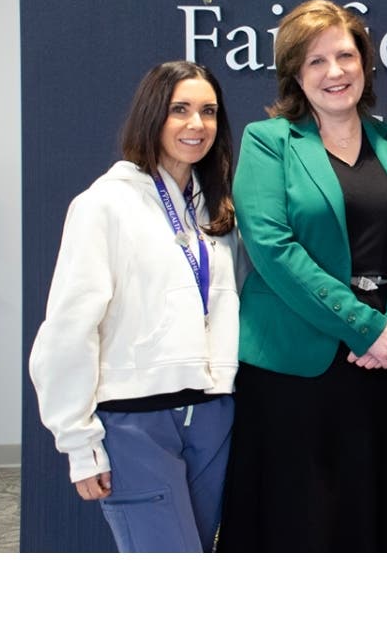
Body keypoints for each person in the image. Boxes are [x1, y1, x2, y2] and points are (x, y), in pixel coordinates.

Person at [218, 0, 387, 551]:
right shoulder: (270, 143)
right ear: (294, 75)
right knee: (297, 524)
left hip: (384, 366)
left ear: (365, 64)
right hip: (295, 371)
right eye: (315, 62)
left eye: (345, 56)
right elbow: (273, 249)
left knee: (373, 521)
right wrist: (365, 327)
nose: (334, 72)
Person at [29, 61, 240, 552]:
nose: (197, 125)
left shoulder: (215, 210)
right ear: (152, 117)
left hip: (213, 414)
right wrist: (79, 444)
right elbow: (68, 329)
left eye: (208, 112)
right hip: (136, 423)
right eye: (180, 110)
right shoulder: (103, 205)